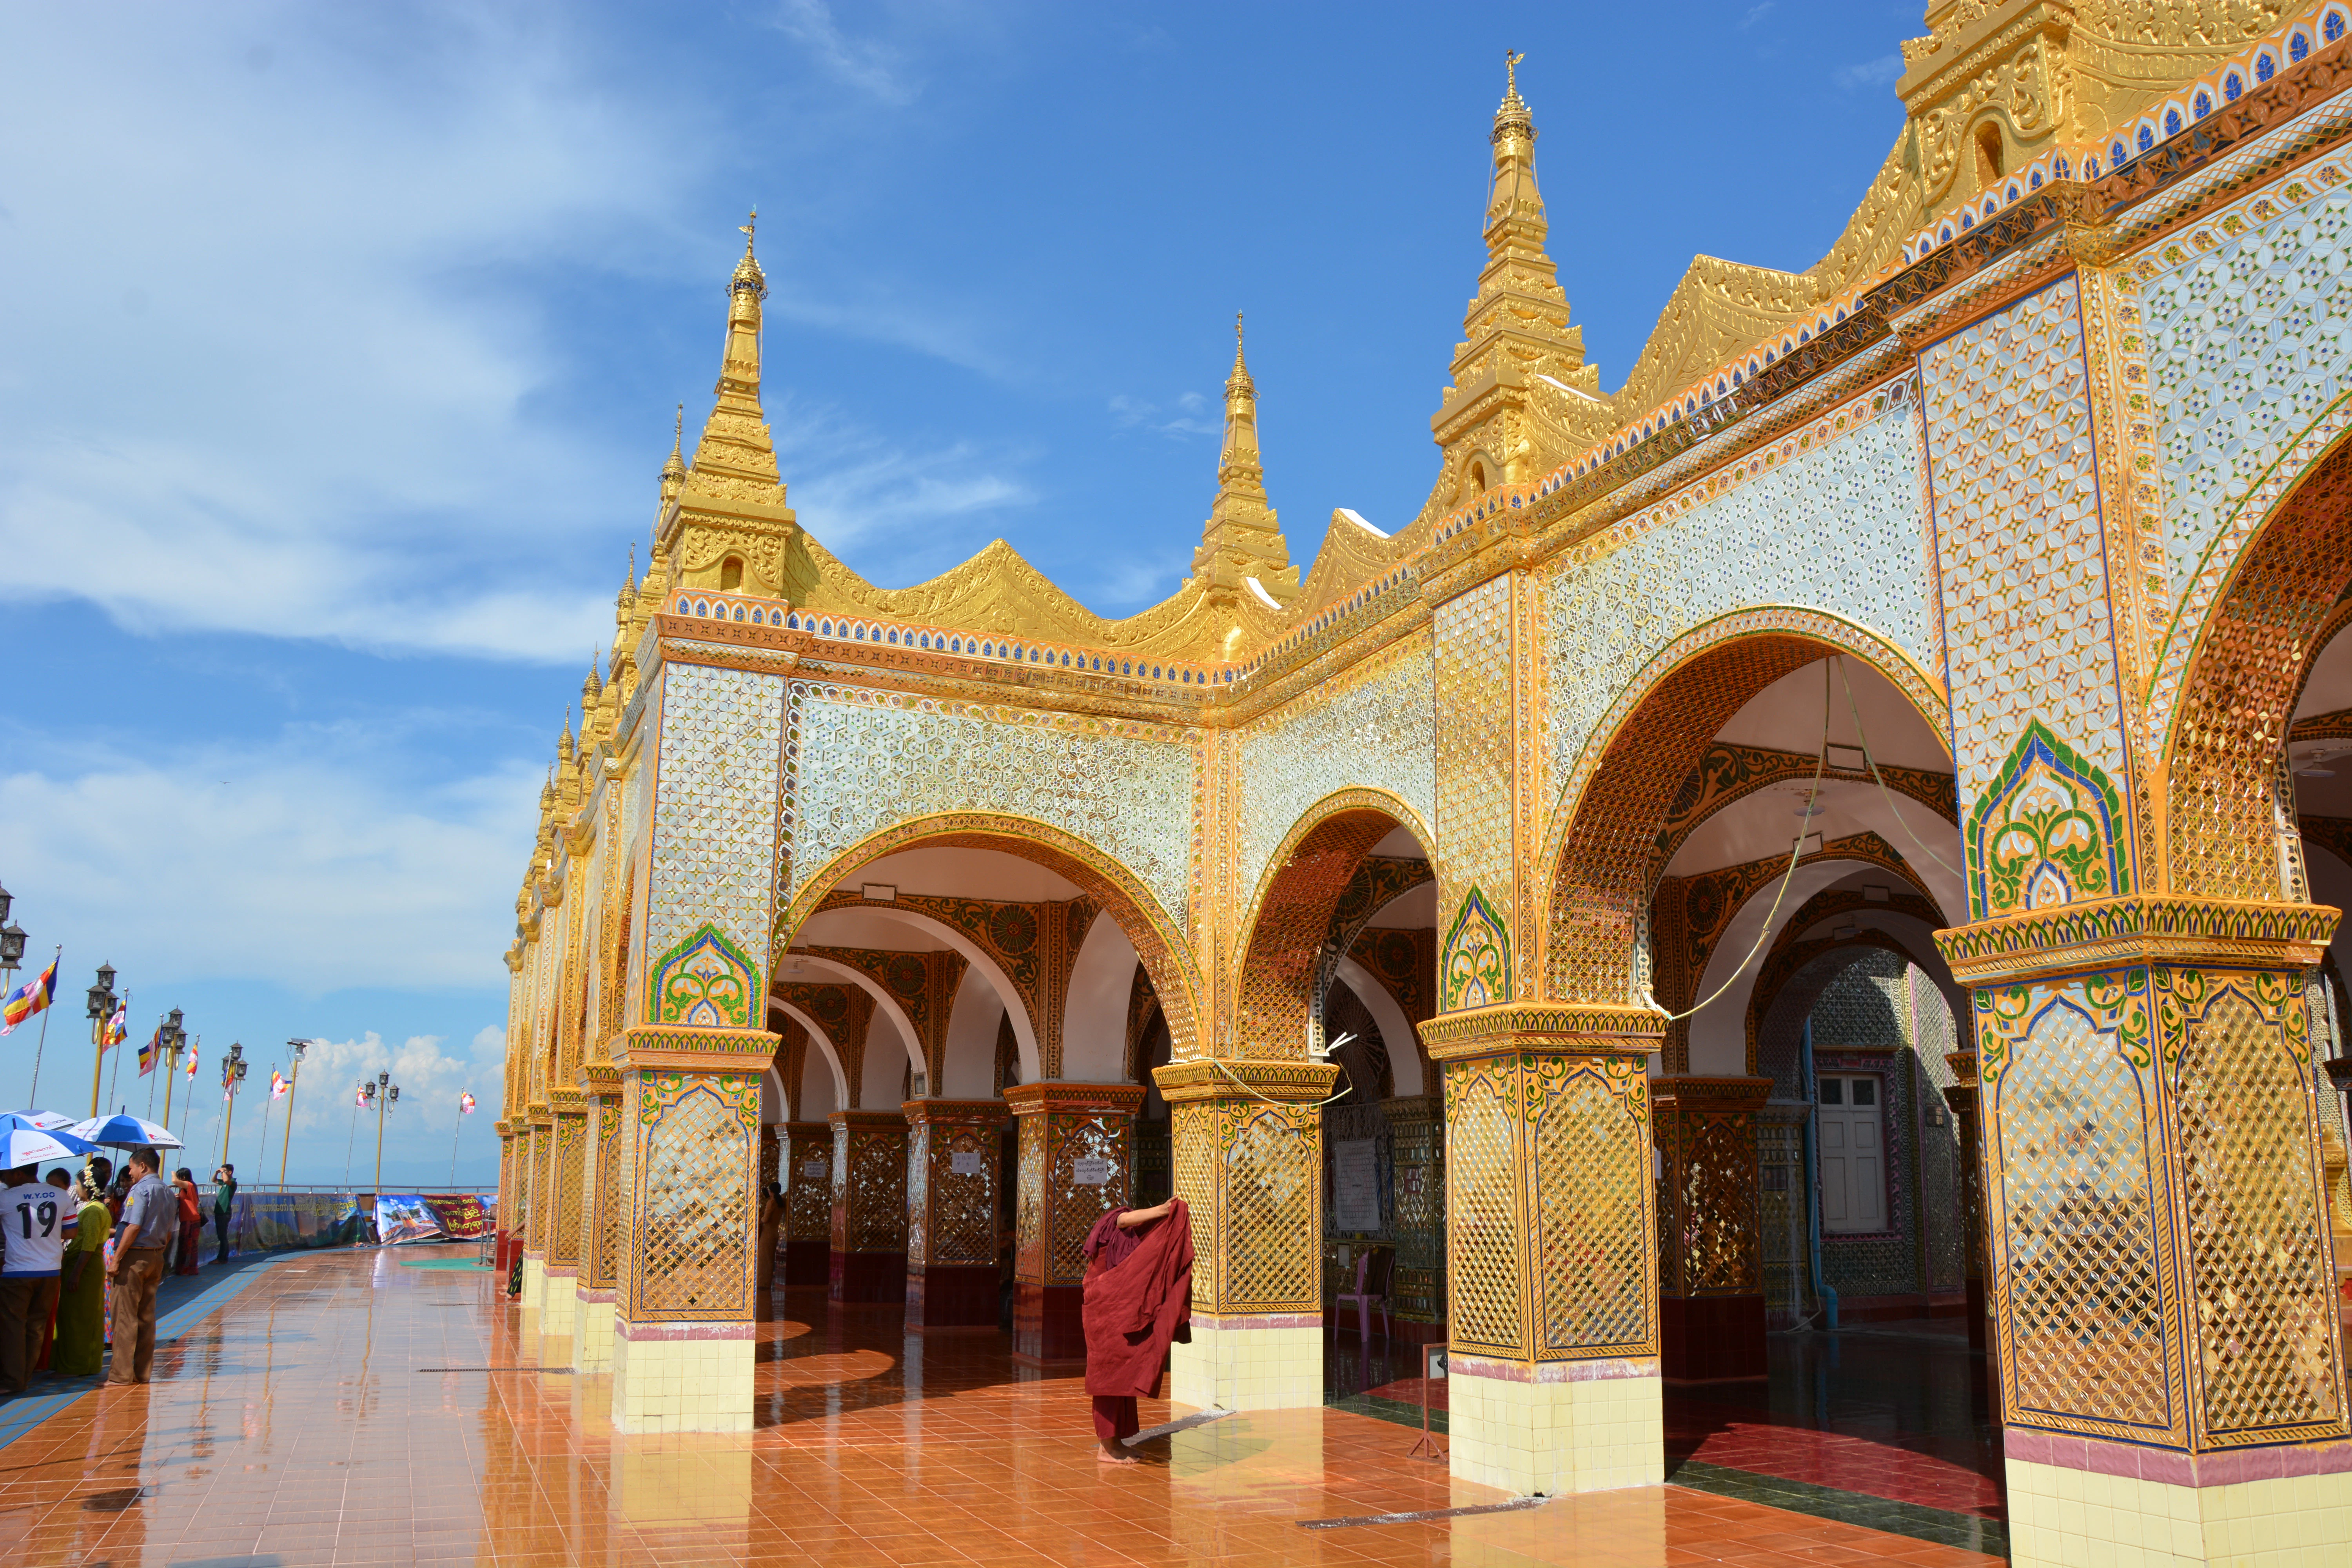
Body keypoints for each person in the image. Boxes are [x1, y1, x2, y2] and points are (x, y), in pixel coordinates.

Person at [1079, 1196, 1192, 1464]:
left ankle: (1117, 1443)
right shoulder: (1113, 1222)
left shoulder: (1127, 1245)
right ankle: (1106, 1448)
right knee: (1107, 1379)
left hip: (1114, 1308)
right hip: (1103, 1310)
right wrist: (1163, 1210)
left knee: (1122, 1376)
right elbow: (1123, 1220)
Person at [105, 1146, 178, 1386]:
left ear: (143, 1167)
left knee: (125, 1316)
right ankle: (142, 1372)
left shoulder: (141, 1190)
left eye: (132, 1168)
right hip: (156, 1256)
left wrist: (116, 1260)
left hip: (135, 1258)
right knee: (147, 1317)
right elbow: (169, 1230)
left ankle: (120, 1375)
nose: (130, 1172)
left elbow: (133, 1227)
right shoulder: (167, 1192)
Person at [0, 1163, 68, 1397]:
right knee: (36, 1327)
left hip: (18, 1271)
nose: (3, 1177)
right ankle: (26, 1376)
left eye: (5, 1173)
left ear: (18, 1173)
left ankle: (12, 1380)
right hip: (50, 1270)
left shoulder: (7, 1198)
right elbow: (70, 1232)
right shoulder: (61, 1195)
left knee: (12, 1327)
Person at [53, 1169, 112, 1376]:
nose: (76, 1190)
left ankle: (74, 1365)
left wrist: (76, 1273)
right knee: (85, 1316)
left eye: (77, 1185)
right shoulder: (96, 1208)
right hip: (86, 1265)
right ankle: (84, 1363)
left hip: (84, 1267)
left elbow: (88, 1245)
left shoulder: (94, 1211)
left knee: (76, 1318)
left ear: (87, 1187)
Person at [755, 1181, 783, 1317]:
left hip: (767, 1233)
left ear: (771, 1191)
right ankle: (766, 1283)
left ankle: (762, 1283)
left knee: (764, 1258)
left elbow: (765, 1219)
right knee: (769, 1258)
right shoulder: (781, 1202)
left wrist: (759, 1219)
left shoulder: (772, 1203)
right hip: (775, 1233)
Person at [172, 1170, 202, 1276]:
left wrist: (173, 1173)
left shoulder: (188, 1185)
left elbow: (174, 1181)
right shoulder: (191, 1187)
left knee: (184, 1245)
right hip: (194, 1219)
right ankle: (192, 1269)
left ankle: (182, 1270)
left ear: (184, 1177)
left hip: (188, 1219)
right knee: (193, 1246)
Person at [211, 1163, 236, 1264]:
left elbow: (226, 1180)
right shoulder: (225, 1183)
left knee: (223, 1236)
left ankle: (222, 1258)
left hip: (224, 1212)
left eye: (225, 1172)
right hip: (220, 1212)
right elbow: (214, 1180)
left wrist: (223, 1172)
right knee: (222, 1236)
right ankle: (223, 1258)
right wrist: (217, 1173)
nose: (222, 1174)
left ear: (230, 1173)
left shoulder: (232, 1182)